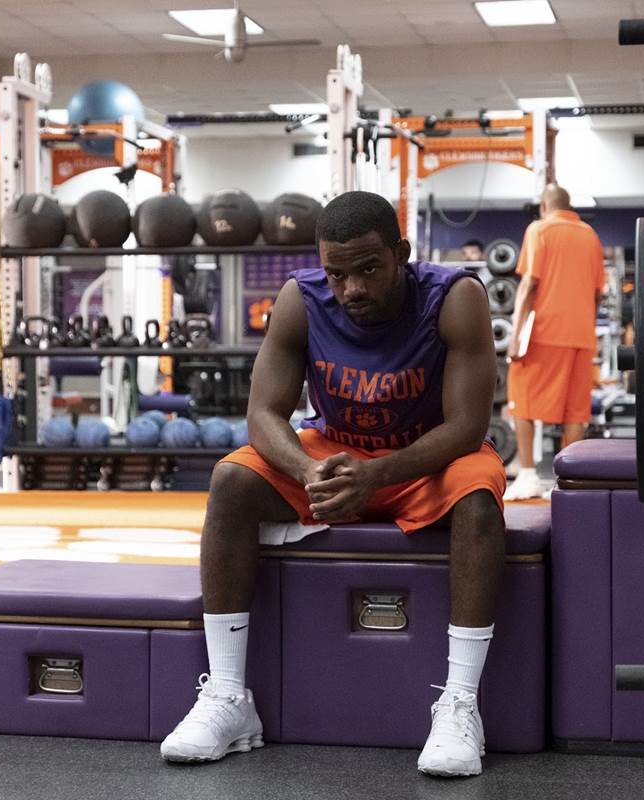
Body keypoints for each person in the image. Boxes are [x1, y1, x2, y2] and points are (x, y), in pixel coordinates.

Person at [160, 191, 505, 777]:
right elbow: (263, 414)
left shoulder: (455, 297)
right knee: (232, 480)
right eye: (337, 274)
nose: (352, 289)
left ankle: (459, 704)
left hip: (425, 458)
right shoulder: (301, 299)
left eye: (368, 269)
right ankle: (228, 695)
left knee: (478, 495)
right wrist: (307, 471)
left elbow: (468, 426)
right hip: (335, 458)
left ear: (401, 254)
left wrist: (377, 474)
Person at [503, 184, 604, 501]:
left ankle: (528, 476)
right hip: (581, 335)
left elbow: (529, 284)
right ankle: (567, 480)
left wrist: (515, 336)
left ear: (544, 207)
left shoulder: (539, 229)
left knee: (521, 399)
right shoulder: (590, 235)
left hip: (544, 332)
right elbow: (598, 293)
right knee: (576, 412)